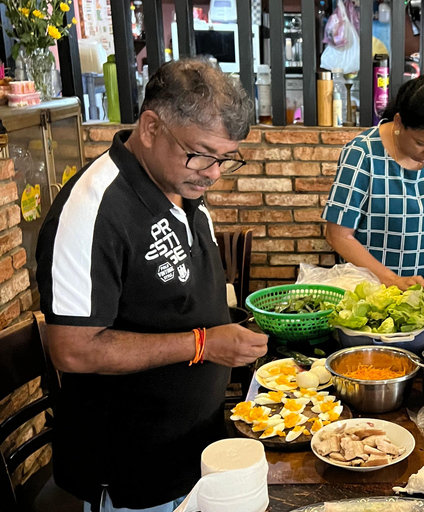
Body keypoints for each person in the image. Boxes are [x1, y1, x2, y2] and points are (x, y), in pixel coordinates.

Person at [35, 59, 269, 512]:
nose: (214, 172)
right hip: (132, 469)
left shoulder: (183, 185)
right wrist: (204, 344)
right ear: (150, 127)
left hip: (194, 450)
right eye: (201, 153)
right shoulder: (94, 208)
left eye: (226, 158)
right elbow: (73, 348)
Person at [323, 75, 424, 306]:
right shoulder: (363, 153)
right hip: (373, 295)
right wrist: (391, 280)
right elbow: (338, 235)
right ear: (398, 122)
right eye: (421, 143)